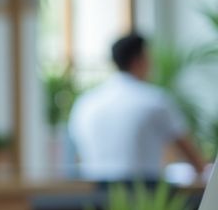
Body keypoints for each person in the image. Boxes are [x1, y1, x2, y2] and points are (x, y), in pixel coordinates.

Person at [68, 32, 206, 183]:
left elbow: (77, 155)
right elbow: (193, 158)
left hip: (93, 199)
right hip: (147, 198)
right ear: (138, 61)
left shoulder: (85, 103)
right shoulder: (155, 100)